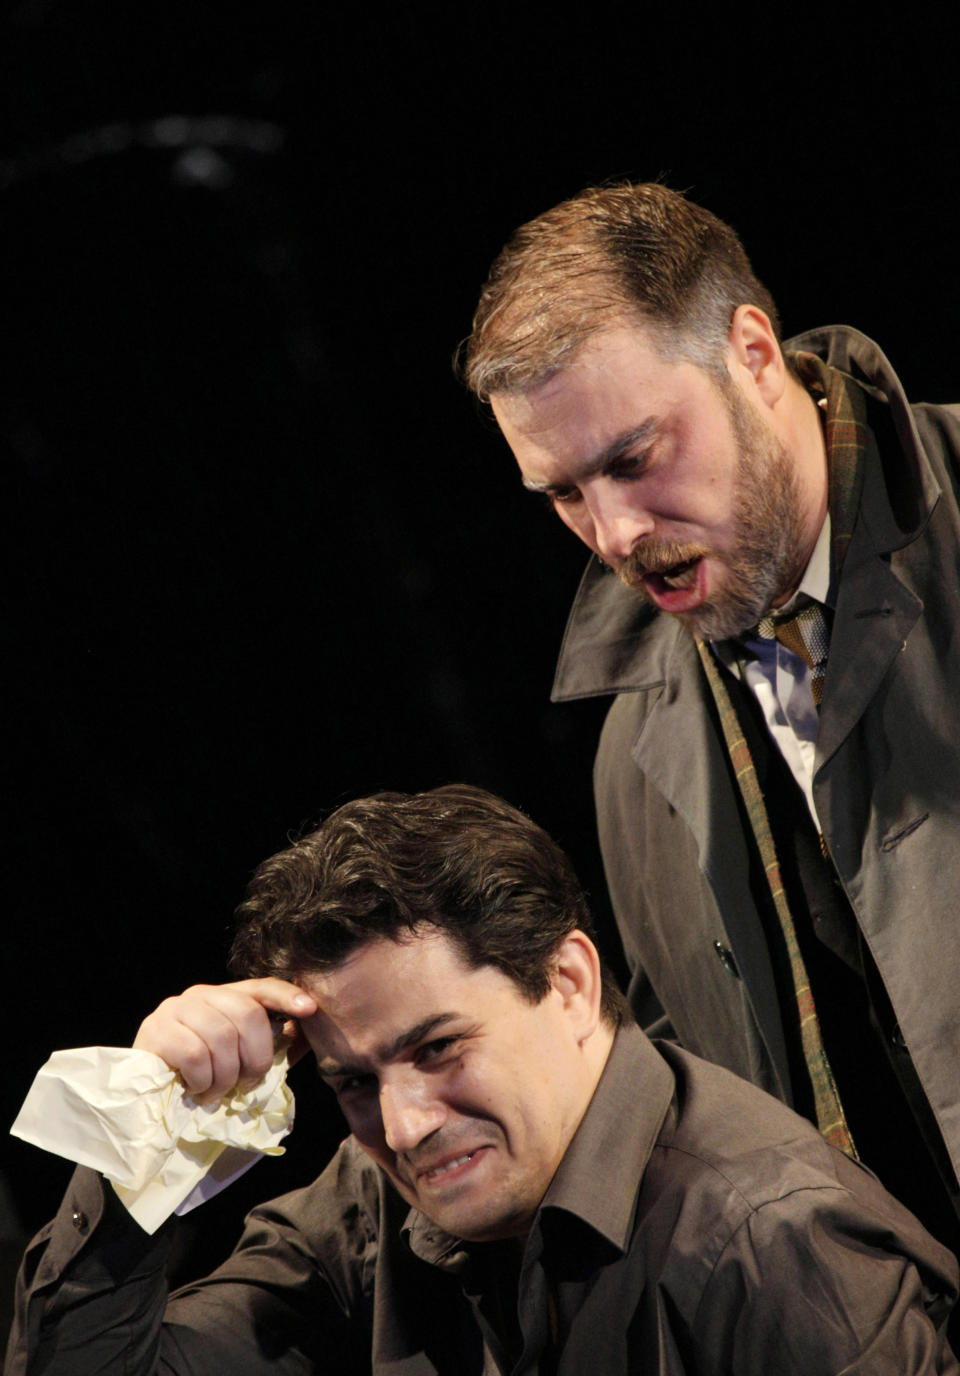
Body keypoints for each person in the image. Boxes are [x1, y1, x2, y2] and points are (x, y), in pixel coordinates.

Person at [7, 784, 959, 1373]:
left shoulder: (774, 1244)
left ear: (572, 983)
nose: (406, 1125)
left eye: (438, 1050)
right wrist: (150, 1141)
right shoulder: (363, 1212)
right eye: (350, 1083)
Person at [459, 182, 960, 1262]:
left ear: (754, 353)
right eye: (564, 494)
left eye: (636, 458)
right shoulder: (630, 765)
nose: (616, 532)